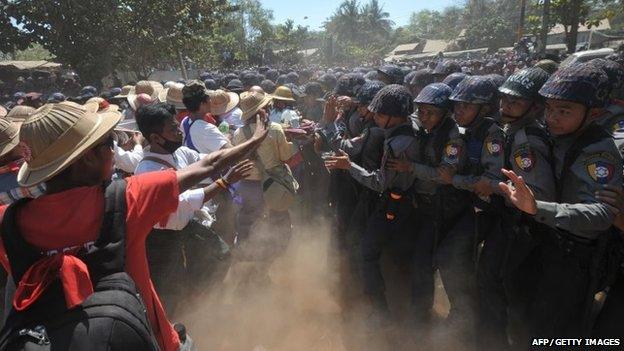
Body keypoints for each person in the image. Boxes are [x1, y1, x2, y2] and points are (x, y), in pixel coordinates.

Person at [0, 101, 269, 351]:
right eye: (109, 142)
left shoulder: (9, 222)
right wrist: (255, 139)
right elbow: (208, 164)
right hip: (145, 338)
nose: (115, 150)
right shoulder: (125, 199)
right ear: (87, 159)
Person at [499, 63, 623, 339]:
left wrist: (538, 207)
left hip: (575, 255)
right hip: (550, 243)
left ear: (595, 114)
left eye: (564, 111)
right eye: (549, 109)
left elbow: (602, 213)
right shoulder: (562, 136)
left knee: (553, 329)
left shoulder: (596, 152)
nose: (552, 118)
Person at [134, 103, 252, 317]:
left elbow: (209, 161)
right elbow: (181, 202)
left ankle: (198, 302)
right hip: (162, 239)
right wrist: (224, 183)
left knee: (220, 254)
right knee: (170, 290)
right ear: (155, 138)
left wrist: (249, 143)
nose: (179, 131)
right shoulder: (147, 170)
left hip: (185, 227)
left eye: (177, 125)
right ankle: (178, 326)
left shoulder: (179, 153)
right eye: (172, 129)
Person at [324, 85, 421, 328]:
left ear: (394, 116)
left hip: (393, 203)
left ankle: (379, 311)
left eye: (379, 114)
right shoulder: (407, 131)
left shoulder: (396, 143)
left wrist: (349, 166)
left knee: (367, 252)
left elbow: (379, 182)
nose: (373, 117)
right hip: (403, 204)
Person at [477, 67, 555, 350]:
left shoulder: (527, 141)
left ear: (535, 107)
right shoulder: (514, 130)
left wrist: (497, 187)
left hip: (522, 226)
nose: (506, 106)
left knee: (498, 283)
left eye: (515, 102)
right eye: (504, 100)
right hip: (514, 222)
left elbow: (537, 195)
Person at [386, 83, 472, 334]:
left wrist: (410, 167)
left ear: (445, 113)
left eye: (430, 112)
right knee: (419, 259)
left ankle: (424, 317)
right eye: (421, 111)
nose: (423, 116)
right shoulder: (426, 129)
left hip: (443, 207)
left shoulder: (453, 139)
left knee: (426, 263)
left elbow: (443, 175)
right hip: (423, 205)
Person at [231, 91, 298, 277]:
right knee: (279, 223)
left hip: (248, 186)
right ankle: (270, 265)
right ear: (262, 110)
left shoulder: (238, 132)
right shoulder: (274, 129)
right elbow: (285, 156)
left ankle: (248, 267)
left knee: (249, 223)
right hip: (272, 186)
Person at [180, 81, 230, 154]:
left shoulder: (185, 122)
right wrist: (226, 138)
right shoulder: (207, 129)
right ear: (202, 104)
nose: (210, 101)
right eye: (208, 99)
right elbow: (231, 153)